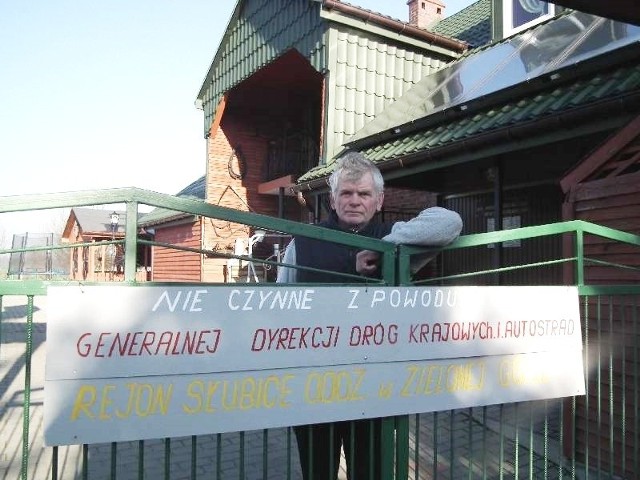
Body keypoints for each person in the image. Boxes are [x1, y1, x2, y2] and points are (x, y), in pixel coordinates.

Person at [277, 151, 463, 479]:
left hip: (374, 387)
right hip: (315, 387)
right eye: (346, 193)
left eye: (363, 194)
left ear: (378, 201)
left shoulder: (396, 240)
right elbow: (279, 307)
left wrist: (383, 249)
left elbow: (450, 222)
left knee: (371, 470)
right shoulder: (303, 243)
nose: (354, 201)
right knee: (317, 471)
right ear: (333, 200)